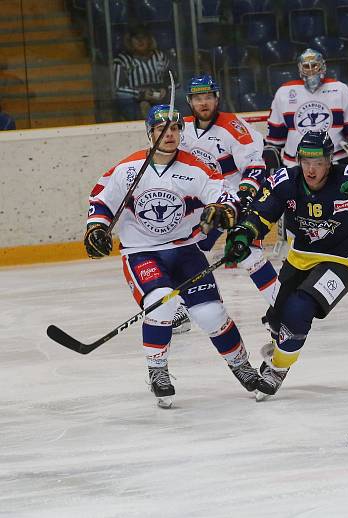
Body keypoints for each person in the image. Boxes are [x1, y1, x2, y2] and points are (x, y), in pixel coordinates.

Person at [84, 104, 274, 408]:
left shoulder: (195, 167)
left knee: (211, 314)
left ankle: (242, 366)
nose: (169, 134)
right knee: (161, 303)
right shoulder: (129, 169)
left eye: (174, 129)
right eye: (162, 129)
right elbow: (101, 201)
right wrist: (97, 228)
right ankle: (158, 371)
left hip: (185, 251)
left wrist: (222, 210)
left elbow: (225, 196)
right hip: (142, 252)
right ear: (151, 133)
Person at [223, 130, 348, 396]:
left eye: (319, 163)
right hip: (300, 259)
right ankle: (282, 345)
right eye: (306, 162)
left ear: (330, 160)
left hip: (343, 263)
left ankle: (278, 368)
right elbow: (260, 214)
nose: (311, 170)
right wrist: (244, 233)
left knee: (300, 308)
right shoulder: (284, 181)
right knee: (278, 321)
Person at [176, 73, 278, 333]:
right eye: (198, 98)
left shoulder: (234, 127)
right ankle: (182, 309)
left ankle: (282, 307)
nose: (204, 103)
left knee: (248, 253)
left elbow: (256, 166)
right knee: (188, 252)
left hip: (235, 201)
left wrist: (242, 198)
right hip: (206, 206)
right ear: (189, 101)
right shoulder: (181, 129)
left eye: (208, 97)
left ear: (217, 98)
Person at [264, 48, 348, 256]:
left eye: (314, 66)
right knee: (296, 208)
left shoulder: (340, 90)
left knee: (347, 202)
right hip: (296, 165)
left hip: (335, 164)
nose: (310, 71)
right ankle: (294, 244)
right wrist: (271, 160)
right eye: (306, 67)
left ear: (323, 67)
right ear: (299, 69)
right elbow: (274, 140)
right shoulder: (284, 93)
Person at [113, 24, 172, 121]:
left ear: (149, 39)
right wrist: (140, 94)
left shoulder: (160, 56)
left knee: (178, 96)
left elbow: (173, 81)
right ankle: (145, 116)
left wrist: (165, 90)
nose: (140, 41)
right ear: (129, 41)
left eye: (143, 37)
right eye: (136, 38)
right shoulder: (122, 60)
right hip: (135, 99)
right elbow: (118, 89)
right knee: (125, 99)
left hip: (160, 97)